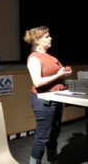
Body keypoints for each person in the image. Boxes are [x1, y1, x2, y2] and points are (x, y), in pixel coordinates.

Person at [24, 26, 72, 164]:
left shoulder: (51, 57)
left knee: (53, 134)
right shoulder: (34, 57)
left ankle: (53, 160)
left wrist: (64, 73)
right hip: (44, 101)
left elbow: (58, 74)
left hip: (56, 98)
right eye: (46, 36)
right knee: (42, 136)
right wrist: (58, 74)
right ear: (37, 40)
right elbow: (37, 82)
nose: (50, 38)